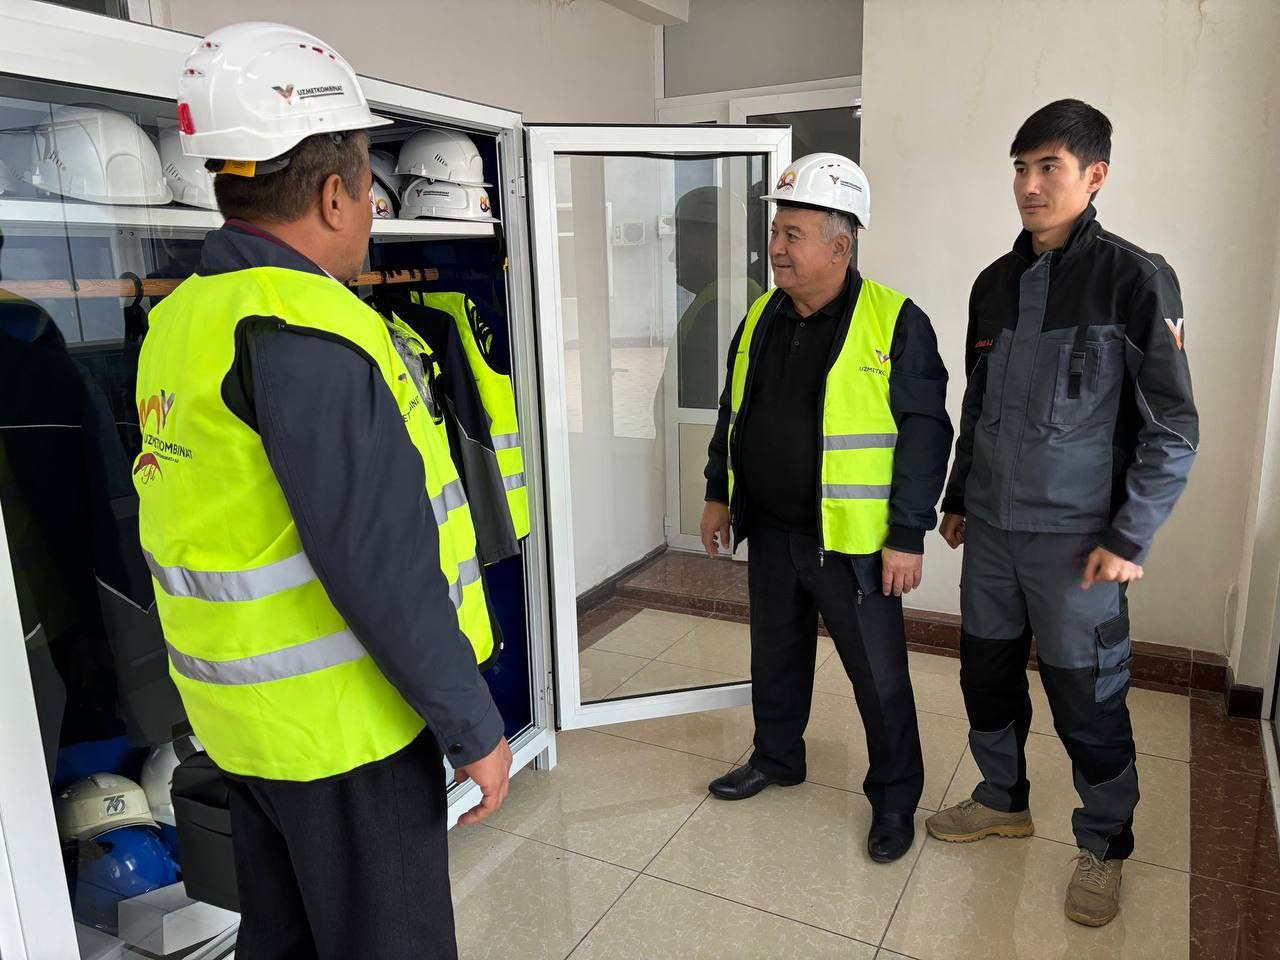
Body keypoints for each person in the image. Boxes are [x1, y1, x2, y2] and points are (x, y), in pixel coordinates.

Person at [133, 23, 510, 958]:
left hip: (242, 725)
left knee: (285, 939)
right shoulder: (311, 329)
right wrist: (473, 727)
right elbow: (379, 565)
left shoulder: (180, 319)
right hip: (346, 735)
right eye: (367, 194)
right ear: (336, 195)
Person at [925, 99, 1198, 927]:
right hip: (992, 538)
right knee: (985, 677)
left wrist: (1130, 534)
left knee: (1088, 700)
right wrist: (959, 497)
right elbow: (978, 405)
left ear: (1095, 175)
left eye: (1049, 166)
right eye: (1021, 168)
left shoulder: (1135, 279)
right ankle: (1002, 798)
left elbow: (1173, 428)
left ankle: (1105, 842)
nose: (1030, 185)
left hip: (1080, 547)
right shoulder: (993, 285)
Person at [700, 152, 953, 863]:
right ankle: (777, 756)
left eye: (794, 234)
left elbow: (927, 435)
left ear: (841, 246)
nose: (776, 247)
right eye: (776, 231)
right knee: (775, 660)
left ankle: (894, 800)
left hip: (856, 545)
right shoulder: (760, 316)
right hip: (773, 530)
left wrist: (908, 534)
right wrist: (719, 492)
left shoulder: (895, 322)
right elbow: (732, 412)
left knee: (879, 680)